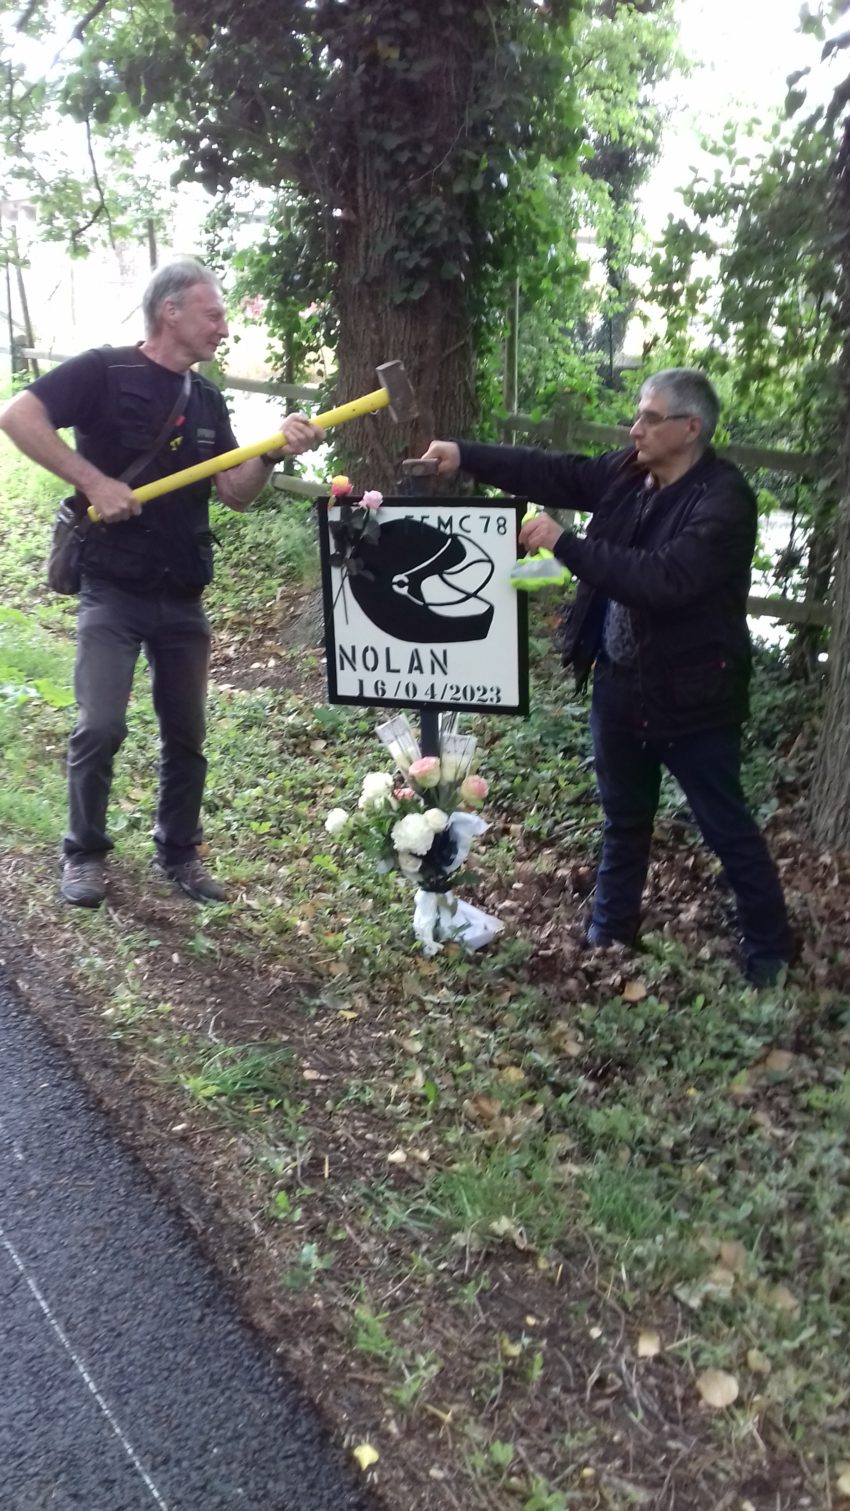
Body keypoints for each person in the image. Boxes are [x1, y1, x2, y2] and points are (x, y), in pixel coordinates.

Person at [421, 368, 794, 986]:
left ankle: (770, 955)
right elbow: (556, 472)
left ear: (690, 428)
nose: (635, 428)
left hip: (693, 696)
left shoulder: (722, 499)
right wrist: (465, 454)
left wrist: (566, 545)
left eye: (650, 418)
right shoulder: (629, 473)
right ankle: (609, 934)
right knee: (624, 818)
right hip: (620, 682)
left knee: (724, 826)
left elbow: (663, 580)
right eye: (637, 415)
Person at [0, 256, 322, 909]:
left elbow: (234, 493)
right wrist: (94, 482)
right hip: (112, 587)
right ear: (169, 312)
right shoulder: (103, 371)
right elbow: (17, 415)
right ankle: (83, 853)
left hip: (182, 592)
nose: (223, 328)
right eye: (214, 314)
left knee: (187, 735)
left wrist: (269, 452)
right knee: (99, 725)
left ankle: (179, 852)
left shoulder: (206, 399)